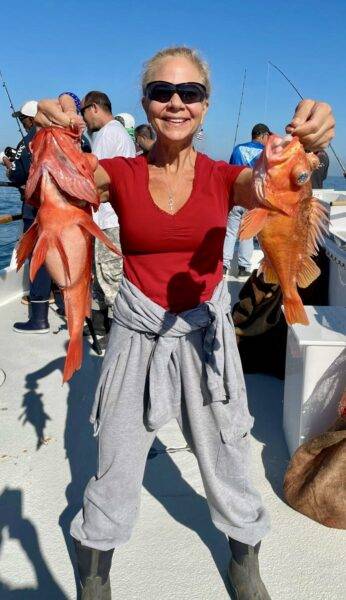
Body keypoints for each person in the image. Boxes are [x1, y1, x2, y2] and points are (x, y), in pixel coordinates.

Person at [35, 47, 335, 600]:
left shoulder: (227, 177)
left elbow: (276, 190)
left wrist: (312, 141)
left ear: (205, 104)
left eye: (190, 93)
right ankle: (96, 566)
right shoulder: (118, 173)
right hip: (136, 330)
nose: (176, 103)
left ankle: (244, 558)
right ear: (145, 102)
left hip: (205, 332)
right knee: (116, 459)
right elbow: (65, 184)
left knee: (227, 452)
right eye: (162, 92)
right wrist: (55, 129)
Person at [80, 91, 136, 348]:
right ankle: (101, 326)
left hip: (109, 221)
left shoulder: (108, 134)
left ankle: (117, 336)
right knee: (100, 277)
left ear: (93, 108)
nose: (84, 119)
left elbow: (92, 176)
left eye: (83, 112)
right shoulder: (115, 133)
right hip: (105, 219)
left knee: (110, 278)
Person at [7, 100, 53, 333]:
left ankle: (38, 318)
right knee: (51, 255)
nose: (23, 124)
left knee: (37, 258)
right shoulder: (55, 138)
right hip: (54, 210)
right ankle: (59, 301)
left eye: (23, 119)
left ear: (30, 119)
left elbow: (16, 175)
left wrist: (7, 162)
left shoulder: (27, 142)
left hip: (34, 211)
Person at [224, 123, 271, 278]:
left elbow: (229, 173)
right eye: (268, 137)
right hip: (254, 200)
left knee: (230, 232)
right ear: (263, 136)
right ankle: (244, 267)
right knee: (248, 234)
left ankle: (224, 265)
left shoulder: (238, 149)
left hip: (236, 198)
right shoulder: (267, 152)